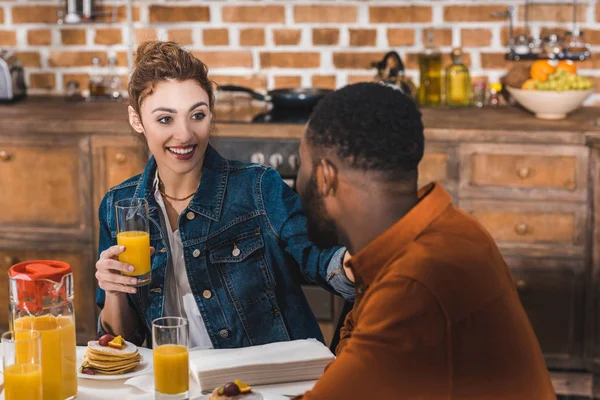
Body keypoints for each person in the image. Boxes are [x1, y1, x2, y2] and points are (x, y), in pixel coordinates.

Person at [294, 82, 556, 399]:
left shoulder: (413, 286)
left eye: (301, 166)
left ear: (325, 177)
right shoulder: (453, 228)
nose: (298, 181)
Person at [95, 41, 354, 349]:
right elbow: (124, 341)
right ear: (136, 120)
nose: (185, 134)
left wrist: (363, 257)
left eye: (197, 115)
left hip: (264, 384)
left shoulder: (259, 188)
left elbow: (321, 259)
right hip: (174, 382)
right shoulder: (118, 207)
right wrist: (113, 291)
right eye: (165, 119)